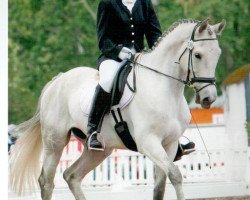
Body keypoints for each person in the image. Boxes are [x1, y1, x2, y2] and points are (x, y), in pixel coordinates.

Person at [87, 0, 195, 159]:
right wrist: (117, 51)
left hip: (139, 57)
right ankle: (93, 130)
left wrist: (159, 55)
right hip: (113, 57)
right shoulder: (107, 3)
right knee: (107, 81)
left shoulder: (144, 3)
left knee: (164, 82)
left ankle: (174, 139)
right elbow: (103, 39)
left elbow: (154, 35)